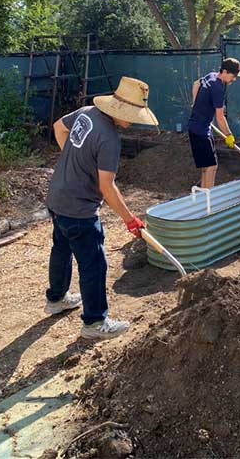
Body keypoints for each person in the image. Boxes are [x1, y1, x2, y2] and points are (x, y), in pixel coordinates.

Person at [44, 76, 159, 340]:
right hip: (79, 210)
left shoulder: (86, 112)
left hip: (57, 197)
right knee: (93, 263)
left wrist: (75, 163)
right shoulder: (109, 138)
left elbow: (58, 127)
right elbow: (107, 187)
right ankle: (95, 322)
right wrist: (131, 220)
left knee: (61, 248)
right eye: (132, 114)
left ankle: (56, 299)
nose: (132, 121)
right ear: (120, 110)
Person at [188, 57, 240, 188]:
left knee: (206, 167)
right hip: (200, 130)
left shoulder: (211, 76)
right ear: (224, 71)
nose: (234, 79)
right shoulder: (218, 88)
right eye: (233, 76)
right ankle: (209, 199)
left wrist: (195, 103)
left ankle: (203, 198)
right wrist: (229, 135)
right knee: (212, 166)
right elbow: (220, 117)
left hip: (198, 127)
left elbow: (196, 83)